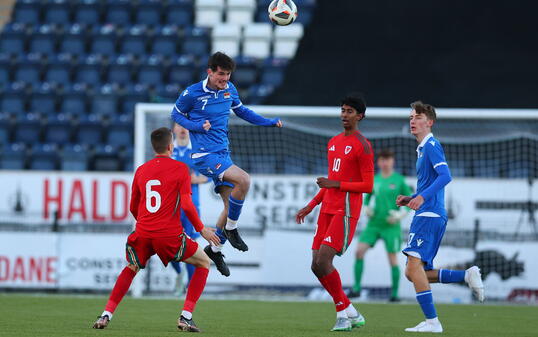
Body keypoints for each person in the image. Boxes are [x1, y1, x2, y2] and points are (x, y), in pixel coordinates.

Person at [92, 127, 220, 332]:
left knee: (131, 267)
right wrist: (201, 228)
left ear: (154, 147)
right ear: (171, 146)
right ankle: (186, 316)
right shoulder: (180, 169)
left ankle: (106, 314)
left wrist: (146, 223)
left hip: (143, 232)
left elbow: (133, 206)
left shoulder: (141, 170)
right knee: (204, 262)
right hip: (168, 234)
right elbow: (187, 205)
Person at [171, 52, 282, 276]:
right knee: (244, 179)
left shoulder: (229, 89)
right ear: (209, 72)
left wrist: (268, 122)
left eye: (228, 75)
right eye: (221, 75)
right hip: (204, 155)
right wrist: (196, 125)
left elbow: (242, 111)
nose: (224, 79)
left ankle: (215, 248)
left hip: (223, 155)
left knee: (228, 206)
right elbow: (176, 114)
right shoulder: (192, 93)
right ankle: (231, 229)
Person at [397, 101, 484, 333]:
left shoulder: (432, 145)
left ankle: (433, 322)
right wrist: (412, 197)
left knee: (414, 268)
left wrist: (422, 198)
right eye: (411, 117)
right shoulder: (423, 148)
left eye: (417, 117)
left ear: (430, 122)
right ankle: (466, 275)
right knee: (412, 272)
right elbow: (431, 181)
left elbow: (446, 176)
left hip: (429, 214)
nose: (412, 121)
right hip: (427, 213)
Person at [296, 94, 374, 332]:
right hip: (327, 209)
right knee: (315, 265)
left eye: (349, 111)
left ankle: (342, 314)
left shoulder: (363, 145)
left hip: (346, 211)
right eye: (342, 110)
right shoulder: (332, 142)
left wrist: (336, 185)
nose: (344, 115)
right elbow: (331, 181)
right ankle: (351, 311)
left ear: (359, 116)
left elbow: (368, 185)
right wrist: (311, 205)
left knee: (323, 260)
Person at [349, 148, 412, 302]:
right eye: (383, 160)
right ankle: (356, 289)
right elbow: (367, 198)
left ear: (392, 161)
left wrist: (400, 214)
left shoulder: (399, 180)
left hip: (391, 225)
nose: (385, 163)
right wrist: (367, 208)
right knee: (359, 252)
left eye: (388, 159)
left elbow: (410, 201)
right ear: (378, 162)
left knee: (392, 259)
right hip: (374, 224)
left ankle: (395, 294)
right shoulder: (374, 179)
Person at [170, 123, 208, 291]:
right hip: (171, 206)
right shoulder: (169, 151)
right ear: (174, 129)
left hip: (191, 205)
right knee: (169, 246)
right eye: (179, 126)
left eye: (185, 126)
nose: (183, 129)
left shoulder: (198, 150)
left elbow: (213, 173)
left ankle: (190, 289)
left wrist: (198, 180)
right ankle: (179, 274)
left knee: (190, 247)